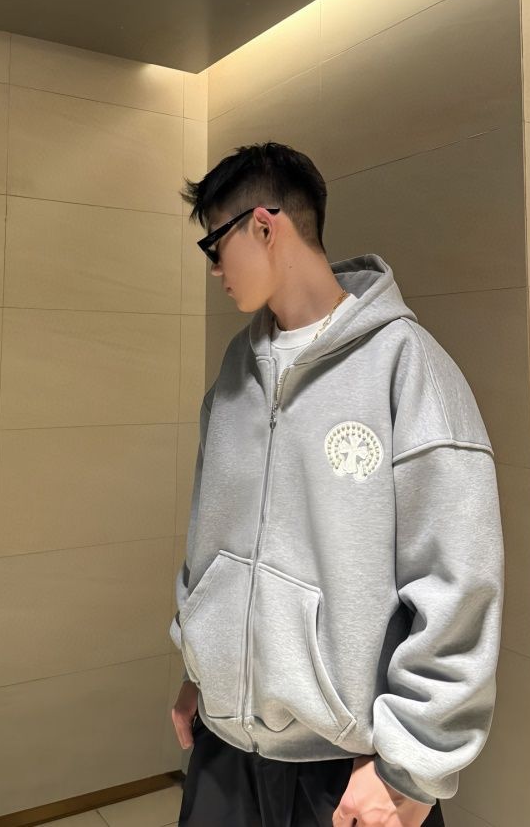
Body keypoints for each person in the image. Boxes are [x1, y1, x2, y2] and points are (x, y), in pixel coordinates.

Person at [169, 141, 504, 827]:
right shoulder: (236, 368)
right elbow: (212, 540)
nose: (214, 269)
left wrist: (409, 769)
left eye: (215, 245)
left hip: (349, 771)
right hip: (223, 748)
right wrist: (202, 673)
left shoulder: (407, 367)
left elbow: (459, 585)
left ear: (265, 227)